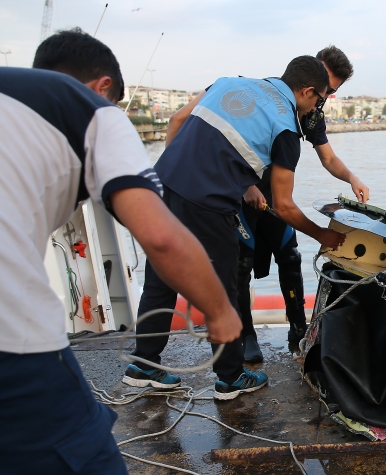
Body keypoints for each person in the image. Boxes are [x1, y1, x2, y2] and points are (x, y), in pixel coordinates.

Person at [0, 28, 241, 475]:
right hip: (11, 344)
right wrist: (221, 311)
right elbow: (161, 235)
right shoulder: (89, 109)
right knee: (85, 454)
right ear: (103, 86)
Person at [127, 55, 351, 400]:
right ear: (307, 91)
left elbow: (177, 120)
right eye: (319, 100)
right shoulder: (288, 129)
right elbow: (284, 206)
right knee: (226, 287)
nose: (316, 110)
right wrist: (323, 235)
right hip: (209, 201)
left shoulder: (230, 83)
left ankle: (143, 364)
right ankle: (229, 378)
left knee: (161, 275)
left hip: (165, 182)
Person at [235, 45, 368, 362]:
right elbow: (230, 142)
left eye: (331, 92)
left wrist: (352, 178)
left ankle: (298, 329)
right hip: (244, 195)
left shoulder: (311, 114)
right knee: (240, 267)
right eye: (325, 91)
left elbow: (328, 157)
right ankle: (246, 336)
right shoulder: (265, 96)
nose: (325, 99)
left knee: (290, 257)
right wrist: (245, 185)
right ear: (311, 79)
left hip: (276, 198)